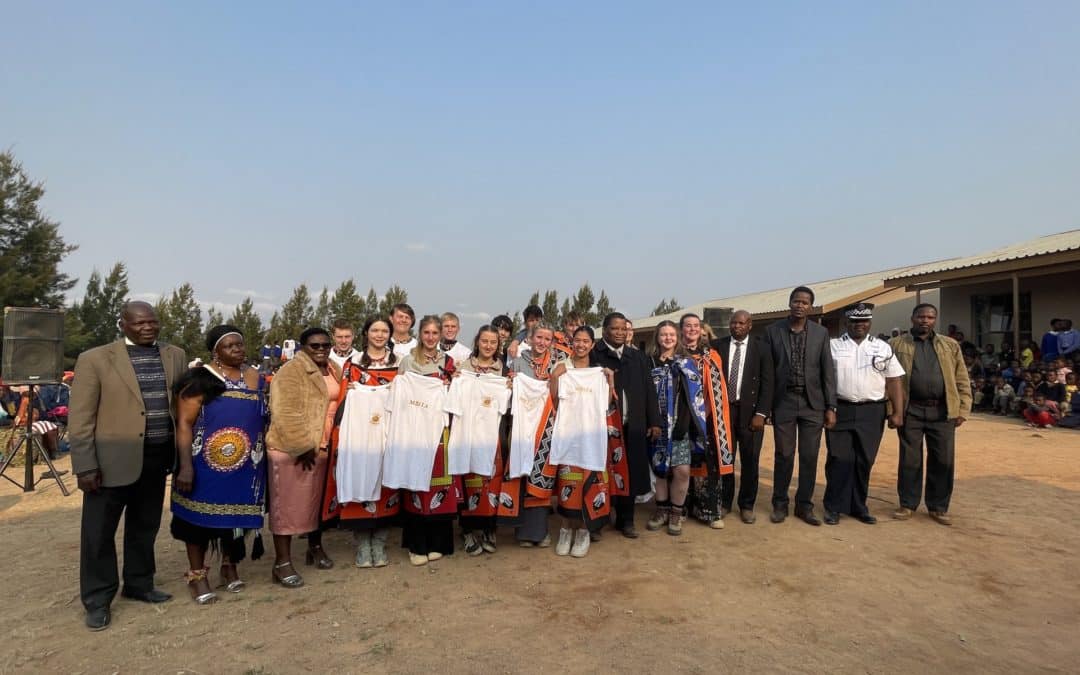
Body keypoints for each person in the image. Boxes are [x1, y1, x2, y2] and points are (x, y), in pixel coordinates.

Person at [69, 301, 187, 630]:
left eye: (153, 322)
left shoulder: (173, 355)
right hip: (109, 463)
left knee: (144, 527)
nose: (148, 328)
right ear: (122, 324)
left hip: (156, 458)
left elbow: (184, 401)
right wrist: (85, 465)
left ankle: (138, 583)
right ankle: (97, 599)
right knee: (98, 533)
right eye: (139, 323)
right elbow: (80, 419)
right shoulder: (95, 359)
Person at [170, 325, 266, 604]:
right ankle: (197, 576)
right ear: (216, 351)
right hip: (205, 464)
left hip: (246, 464)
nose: (238, 349)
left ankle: (229, 565)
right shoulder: (199, 380)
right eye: (230, 346)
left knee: (235, 519)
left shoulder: (254, 377)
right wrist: (185, 466)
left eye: (240, 344)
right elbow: (185, 424)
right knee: (197, 521)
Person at [265, 327, 342, 588]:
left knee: (316, 503)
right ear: (302, 347)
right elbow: (284, 411)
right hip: (293, 449)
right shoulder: (291, 371)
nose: (321, 350)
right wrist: (301, 445)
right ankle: (282, 562)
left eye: (325, 345)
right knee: (286, 506)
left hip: (323, 445)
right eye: (314, 346)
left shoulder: (333, 368)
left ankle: (314, 547)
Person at [322, 316, 400, 569]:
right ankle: (362, 545)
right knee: (358, 481)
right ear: (366, 333)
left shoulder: (398, 363)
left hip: (388, 433)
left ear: (390, 334)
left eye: (384, 331)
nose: (379, 335)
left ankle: (379, 542)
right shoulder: (352, 364)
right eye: (374, 330)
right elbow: (344, 400)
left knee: (386, 485)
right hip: (360, 435)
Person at [822, 304, 905, 525]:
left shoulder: (883, 347)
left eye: (864, 321)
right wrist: (827, 408)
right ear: (847, 323)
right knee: (838, 459)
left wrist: (898, 412)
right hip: (841, 408)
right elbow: (824, 379)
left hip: (872, 410)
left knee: (864, 460)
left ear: (870, 323)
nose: (860, 325)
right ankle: (833, 507)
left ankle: (859, 506)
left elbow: (894, 379)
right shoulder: (832, 346)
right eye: (855, 321)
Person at [890, 303, 971, 526]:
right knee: (910, 459)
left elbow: (961, 377)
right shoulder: (896, 345)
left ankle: (938, 507)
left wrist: (962, 409)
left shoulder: (950, 345)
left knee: (943, 460)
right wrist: (893, 410)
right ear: (912, 318)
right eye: (921, 316)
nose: (925, 321)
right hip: (911, 411)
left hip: (942, 412)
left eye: (930, 317)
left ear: (935, 320)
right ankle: (907, 504)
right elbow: (888, 380)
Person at [764, 287, 837, 526]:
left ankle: (804, 506)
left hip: (812, 404)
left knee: (809, 456)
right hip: (783, 402)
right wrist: (766, 408)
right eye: (796, 301)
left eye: (805, 302)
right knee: (784, 455)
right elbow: (767, 372)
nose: (800, 305)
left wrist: (830, 406)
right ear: (789, 303)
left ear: (810, 307)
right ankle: (780, 504)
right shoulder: (773, 331)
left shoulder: (820, 333)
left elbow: (828, 371)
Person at [394, 315, 460, 565]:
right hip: (414, 431)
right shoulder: (408, 362)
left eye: (435, 333)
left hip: (441, 431)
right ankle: (416, 544)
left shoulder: (450, 363)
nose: (431, 338)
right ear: (420, 334)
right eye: (427, 333)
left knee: (439, 486)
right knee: (416, 485)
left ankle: (438, 542)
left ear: (441, 335)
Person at [548, 326, 618, 557]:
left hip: (591, 440)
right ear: (571, 342)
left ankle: (584, 531)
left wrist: (610, 381)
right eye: (577, 340)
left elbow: (605, 405)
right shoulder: (562, 369)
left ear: (592, 344)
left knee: (589, 486)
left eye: (585, 341)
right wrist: (554, 378)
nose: (580, 345)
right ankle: (566, 529)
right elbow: (554, 403)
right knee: (568, 485)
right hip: (568, 438)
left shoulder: (598, 372)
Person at [593, 312, 661, 537]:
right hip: (603, 427)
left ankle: (626, 520)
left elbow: (649, 390)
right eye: (615, 329)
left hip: (633, 426)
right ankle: (599, 519)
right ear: (604, 331)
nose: (620, 333)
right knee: (602, 473)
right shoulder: (594, 355)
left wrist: (654, 421)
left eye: (624, 328)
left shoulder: (637, 357)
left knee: (629, 473)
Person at [505, 321, 565, 547]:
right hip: (522, 427)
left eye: (547, 339)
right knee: (522, 475)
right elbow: (509, 395)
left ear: (552, 342)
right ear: (529, 339)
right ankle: (522, 533)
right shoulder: (518, 363)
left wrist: (556, 379)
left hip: (548, 427)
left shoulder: (558, 365)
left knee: (542, 477)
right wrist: (510, 385)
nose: (542, 342)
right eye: (538, 337)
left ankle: (540, 532)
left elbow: (561, 397)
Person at [678, 313, 737, 529]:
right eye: (688, 326)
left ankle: (708, 511)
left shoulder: (712, 355)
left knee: (706, 464)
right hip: (682, 417)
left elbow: (718, 389)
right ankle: (680, 508)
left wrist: (709, 415)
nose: (692, 329)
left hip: (707, 419)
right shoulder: (675, 354)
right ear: (681, 329)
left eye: (696, 326)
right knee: (682, 464)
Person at [713, 310, 773, 524]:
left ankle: (747, 505)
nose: (736, 326)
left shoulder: (762, 349)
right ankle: (725, 502)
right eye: (733, 323)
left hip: (751, 414)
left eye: (741, 323)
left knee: (750, 461)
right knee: (726, 459)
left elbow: (768, 383)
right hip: (724, 412)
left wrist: (761, 413)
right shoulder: (717, 346)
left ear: (750, 325)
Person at [455, 324, 510, 555]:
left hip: (493, 434)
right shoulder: (462, 369)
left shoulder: (504, 371)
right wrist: (455, 380)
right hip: (467, 433)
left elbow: (508, 407)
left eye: (493, 342)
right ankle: (468, 531)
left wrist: (510, 387)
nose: (488, 346)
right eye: (484, 341)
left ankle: (490, 529)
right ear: (477, 342)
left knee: (492, 481)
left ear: (498, 345)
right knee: (468, 479)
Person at [646, 321, 704, 535]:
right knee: (659, 470)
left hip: (680, 425)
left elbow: (694, 396)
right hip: (656, 426)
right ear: (657, 337)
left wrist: (684, 424)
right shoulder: (648, 362)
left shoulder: (687, 363)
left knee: (681, 471)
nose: (668, 338)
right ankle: (661, 510)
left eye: (671, 334)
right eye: (663, 334)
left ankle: (676, 513)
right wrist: (651, 422)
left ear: (677, 337)